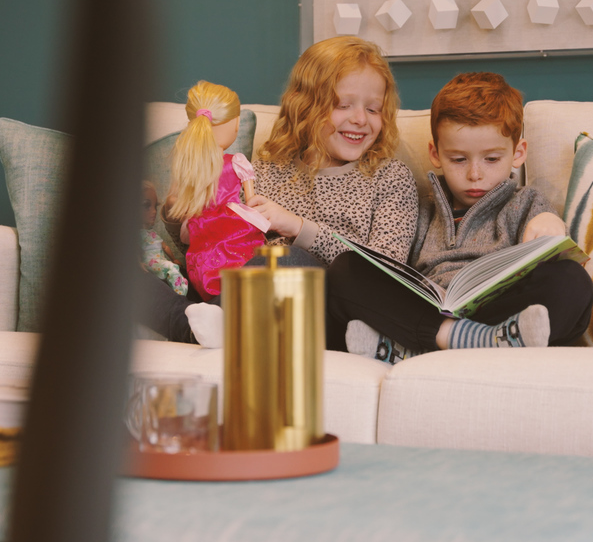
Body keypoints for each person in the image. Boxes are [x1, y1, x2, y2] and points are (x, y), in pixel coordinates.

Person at [325, 72, 593, 363]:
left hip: (499, 310)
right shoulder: (420, 207)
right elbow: (392, 269)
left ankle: (414, 347)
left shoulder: (526, 201)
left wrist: (550, 223)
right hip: (426, 311)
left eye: (491, 159)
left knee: (572, 281)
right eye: (458, 159)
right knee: (345, 269)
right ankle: (466, 339)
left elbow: (549, 237)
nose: (474, 174)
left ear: (518, 153)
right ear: (436, 153)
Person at [170, 35, 419, 346]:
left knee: (286, 261)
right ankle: (208, 325)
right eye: (343, 105)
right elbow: (211, 244)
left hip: (326, 312)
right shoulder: (268, 167)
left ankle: (207, 328)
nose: (360, 119)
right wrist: (181, 208)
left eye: (374, 109)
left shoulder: (390, 178)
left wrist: (299, 228)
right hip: (247, 293)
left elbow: (388, 271)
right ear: (305, 106)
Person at [165, 81, 268, 299]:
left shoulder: (191, 165)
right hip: (234, 222)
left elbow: (175, 201)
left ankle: (214, 301)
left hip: (202, 224)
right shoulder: (237, 161)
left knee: (205, 260)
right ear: (236, 123)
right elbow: (251, 201)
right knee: (242, 257)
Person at [139, 180, 189, 295]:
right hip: (149, 263)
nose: (154, 211)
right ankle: (181, 295)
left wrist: (174, 258)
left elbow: (165, 247)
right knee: (171, 268)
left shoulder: (152, 234)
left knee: (174, 268)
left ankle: (180, 291)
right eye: (146, 205)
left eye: (155, 206)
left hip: (160, 262)